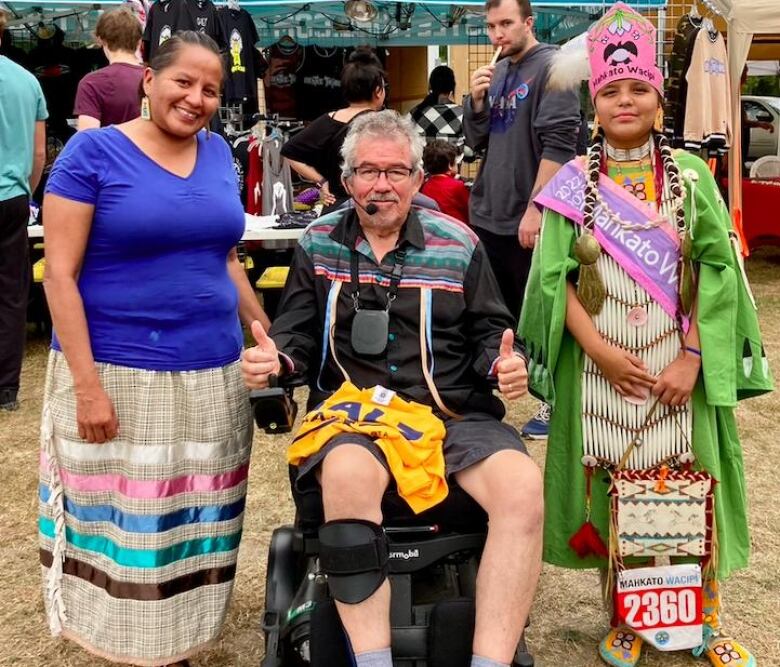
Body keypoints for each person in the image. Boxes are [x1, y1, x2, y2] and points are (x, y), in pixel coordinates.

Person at [519, 4, 773, 667]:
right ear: (593, 102)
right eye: (611, 91)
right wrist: (598, 351)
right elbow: (553, 282)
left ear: (659, 99)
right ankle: (627, 614)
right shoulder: (574, 184)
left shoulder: (691, 177)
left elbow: (718, 269)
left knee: (693, 483)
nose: (624, 100)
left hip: (676, 362)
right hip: (603, 368)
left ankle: (707, 617)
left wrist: (694, 356)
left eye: (638, 89)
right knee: (618, 482)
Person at [242, 110, 543, 667]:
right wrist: (275, 360)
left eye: (397, 171)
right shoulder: (319, 242)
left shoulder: (458, 245)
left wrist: (506, 365)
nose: (382, 184)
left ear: (418, 179)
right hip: (353, 421)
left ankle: (491, 661)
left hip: (452, 418)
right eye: (368, 171)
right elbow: (295, 339)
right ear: (347, 178)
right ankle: (373, 660)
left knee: (522, 487)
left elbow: (490, 334)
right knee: (348, 471)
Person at [38, 31, 269, 667]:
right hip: (120, 372)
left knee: (197, 521)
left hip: (213, 375)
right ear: (148, 79)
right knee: (127, 529)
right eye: (183, 82)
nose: (196, 99)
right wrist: (87, 386)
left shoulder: (221, 153)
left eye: (211, 90)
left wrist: (263, 328)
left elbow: (224, 256)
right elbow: (59, 276)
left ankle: (181, 646)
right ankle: (134, 651)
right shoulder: (91, 154)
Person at [464, 0, 580, 440]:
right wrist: (476, 101)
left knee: (544, 312)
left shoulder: (553, 67)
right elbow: (477, 142)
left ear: (528, 23)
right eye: (492, 26)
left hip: (526, 215)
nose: (498, 34)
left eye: (506, 24)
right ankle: (492, 388)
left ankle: (555, 401)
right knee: (497, 312)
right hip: (490, 211)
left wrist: (537, 208)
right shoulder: (500, 72)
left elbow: (559, 146)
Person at [0, 10, 47, 411]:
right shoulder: (26, 80)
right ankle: (6, 387)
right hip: (11, 197)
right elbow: (38, 153)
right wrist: (26, 192)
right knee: (11, 292)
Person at [281, 47, 385, 211]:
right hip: (373, 206)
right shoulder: (385, 125)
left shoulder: (327, 120)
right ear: (378, 91)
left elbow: (288, 151)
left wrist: (322, 181)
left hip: (335, 208)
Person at [74, 7, 144, 130]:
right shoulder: (155, 79)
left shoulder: (92, 83)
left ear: (100, 40)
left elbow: (88, 140)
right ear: (139, 41)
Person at [409, 65, 465, 153]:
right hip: (449, 166)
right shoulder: (462, 114)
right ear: (452, 88)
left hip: (421, 166)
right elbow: (467, 149)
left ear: (431, 86)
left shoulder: (414, 113)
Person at [420, 139, 470, 223]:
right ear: (450, 165)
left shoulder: (425, 185)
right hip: (457, 229)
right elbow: (468, 210)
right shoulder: (458, 186)